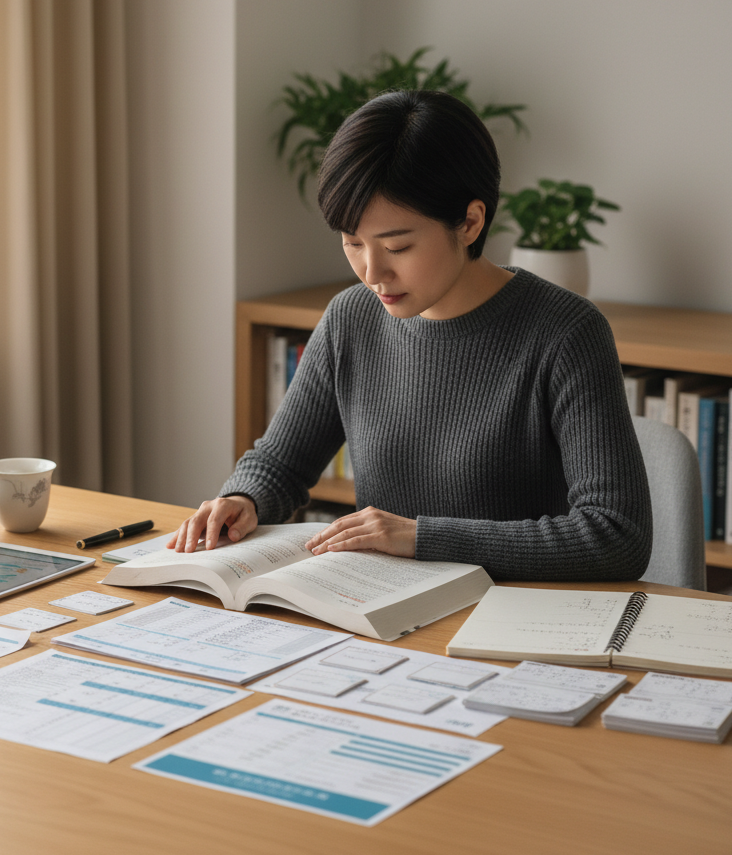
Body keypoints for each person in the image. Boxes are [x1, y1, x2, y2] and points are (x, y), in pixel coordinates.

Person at [169, 89, 652, 581]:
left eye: (397, 246)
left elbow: (615, 535)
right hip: (383, 611)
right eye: (352, 243)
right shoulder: (351, 318)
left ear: (469, 222)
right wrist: (242, 497)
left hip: (514, 618)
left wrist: (421, 537)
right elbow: (281, 463)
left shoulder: (566, 332)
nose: (372, 272)